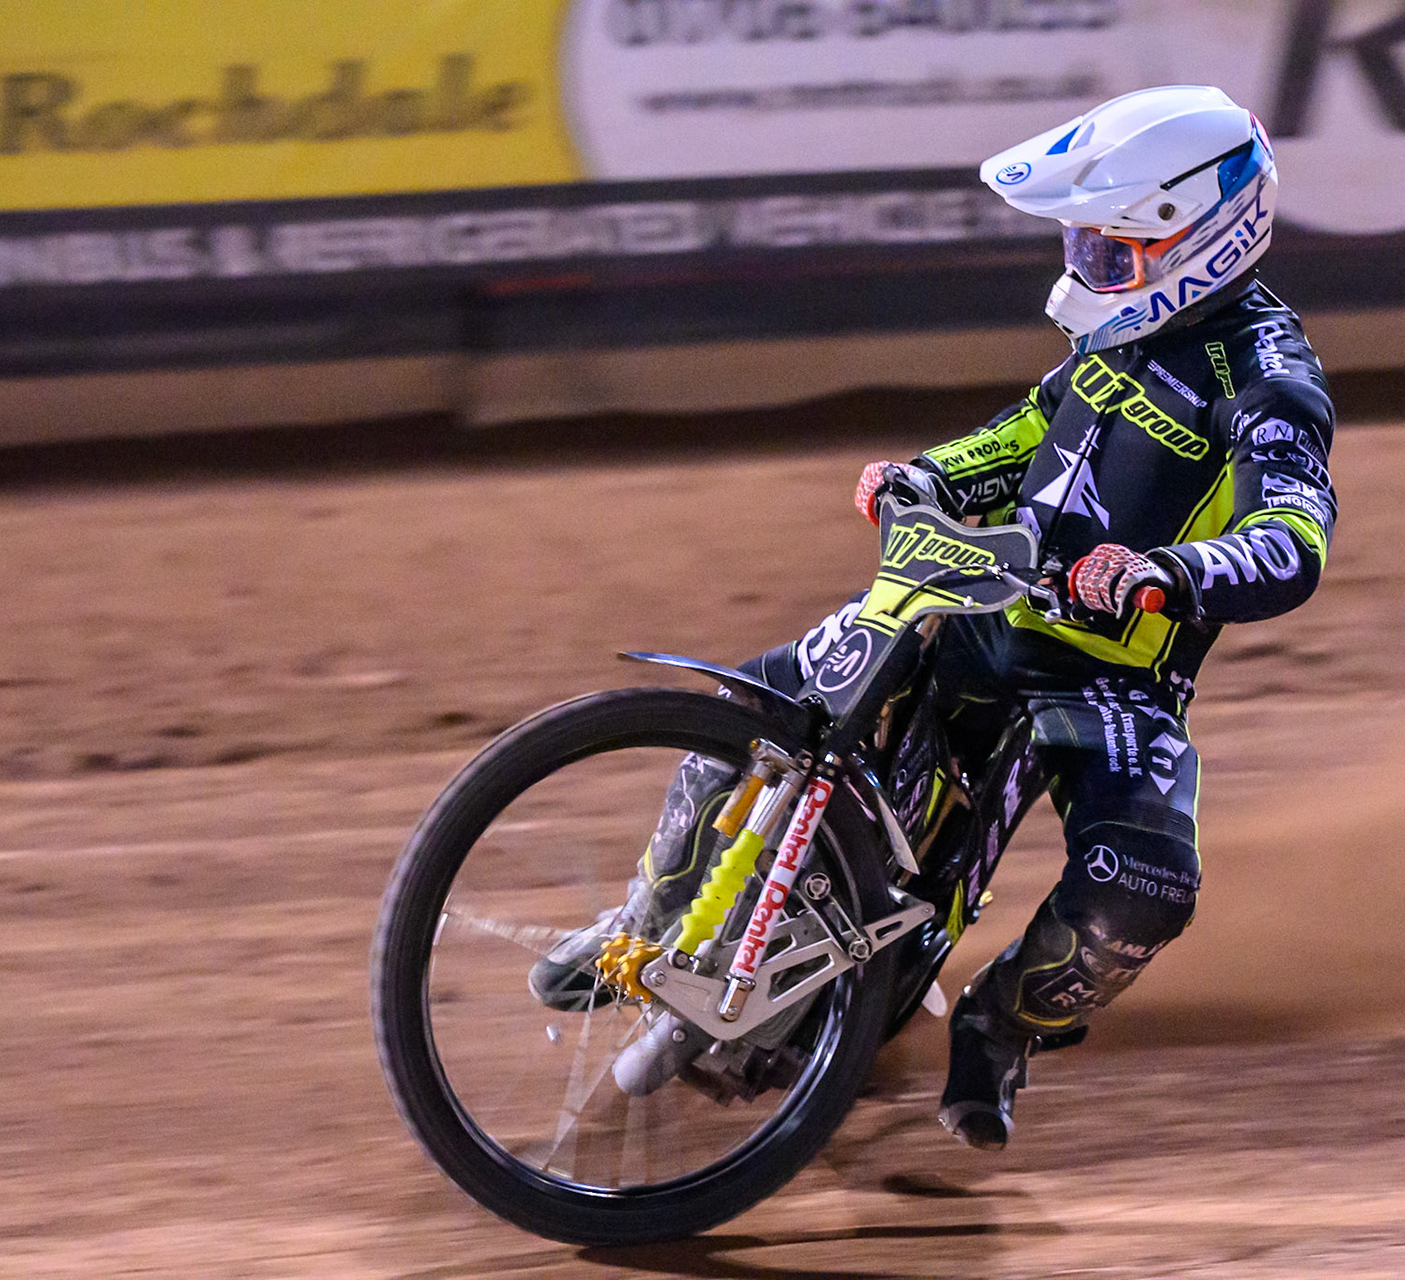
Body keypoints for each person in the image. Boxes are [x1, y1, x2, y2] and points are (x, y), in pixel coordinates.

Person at [533, 85, 1338, 1150]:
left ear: (1199, 235)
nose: (1087, 270)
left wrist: (1157, 574)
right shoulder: (1128, 331)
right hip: (977, 598)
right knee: (763, 700)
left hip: (1109, 673)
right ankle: (643, 917)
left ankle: (998, 1024)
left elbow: (1295, 538)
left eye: (1111, 251)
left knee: (1146, 882)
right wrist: (930, 474)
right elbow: (1035, 426)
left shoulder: (1270, 375)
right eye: (1083, 245)